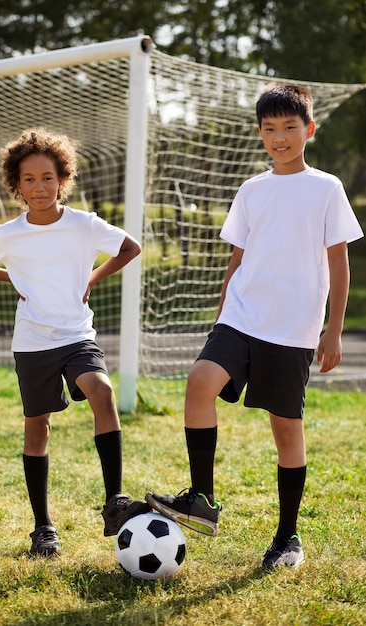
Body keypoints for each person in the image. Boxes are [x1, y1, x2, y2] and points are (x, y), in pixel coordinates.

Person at [146, 83, 364, 568]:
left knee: (286, 429)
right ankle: (202, 499)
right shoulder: (251, 189)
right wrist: (225, 308)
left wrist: (333, 329)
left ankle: (287, 536)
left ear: (309, 129)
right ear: (260, 133)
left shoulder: (326, 188)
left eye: (290, 127)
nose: (280, 137)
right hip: (241, 316)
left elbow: (339, 263)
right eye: (270, 129)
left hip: (292, 328)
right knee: (200, 381)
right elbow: (237, 257)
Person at [0, 127, 150, 557]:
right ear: (16, 185)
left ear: (62, 179)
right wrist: (14, 277)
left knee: (102, 392)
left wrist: (92, 277)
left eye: (47, 177)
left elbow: (130, 248)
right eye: (29, 179)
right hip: (32, 343)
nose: (39, 186)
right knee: (38, 428)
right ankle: (43, 528)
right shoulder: (9, 234)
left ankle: (115, 501)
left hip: (75, 335)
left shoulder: (84, 225)